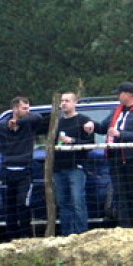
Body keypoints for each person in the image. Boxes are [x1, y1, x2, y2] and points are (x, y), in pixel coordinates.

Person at [0, 96, 48, 239]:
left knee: (23, 205)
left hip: (25, 172)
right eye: (24, 108)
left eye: (28, 108)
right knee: (9, 208)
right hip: (7, 172)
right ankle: (11, 239)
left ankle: (25, 238)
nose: (28, 111)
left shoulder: (29, 123)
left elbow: (38, 117)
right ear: (15, 109)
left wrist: (17, 121)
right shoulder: (2, 126)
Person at [89, 82, 133, 227]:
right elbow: (103, 127)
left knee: (130, 192)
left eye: (120, 93)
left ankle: (132, 225)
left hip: (132, 158)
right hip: (115, 157)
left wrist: (120, 134)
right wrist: (91, 124)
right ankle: (124, 225)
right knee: (119, 192)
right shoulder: (116, 111)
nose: (117, 96)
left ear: (128, 94)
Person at [53, 92, 94, 235]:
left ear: (75, 102)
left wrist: (72, 141)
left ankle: (82, 234)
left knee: (77, 201)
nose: (64, 103)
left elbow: (91, 144)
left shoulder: (84, 120)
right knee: (63, 203)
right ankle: (67, 235)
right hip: (58, 168)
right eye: (62, 101)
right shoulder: (57, 122)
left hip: (76, 167)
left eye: (67, 100)